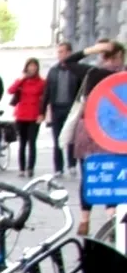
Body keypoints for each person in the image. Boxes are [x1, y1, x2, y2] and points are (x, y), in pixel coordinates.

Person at [64, 40, 126, 235]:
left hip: (90, 131)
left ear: (103, 55)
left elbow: (68, 61)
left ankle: (85, 219)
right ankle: (111, 216)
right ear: (119, 56)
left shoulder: (92, 73)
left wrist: (91, 49)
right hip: (115, 133)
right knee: (114, 174)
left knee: (89, 175)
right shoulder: (122, 76)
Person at [42, 42, 92, 180]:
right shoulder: (53, 70)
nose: (60, 54)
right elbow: (47, 91)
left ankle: (71, 164)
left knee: (72, 138)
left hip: (72, 108)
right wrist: (42, 110)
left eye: (63, 52)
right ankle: (58, 168)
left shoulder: (76, 70)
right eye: (59, 52)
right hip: (57, 107)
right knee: (57, 139)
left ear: (69, 53)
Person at [8, 58, 46, 178]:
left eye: (34, 66)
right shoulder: (22, 81)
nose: (32, 68)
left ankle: (30, 168)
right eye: (30, 66)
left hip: (34, 115)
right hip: (22, 115)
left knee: (32, 143)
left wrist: (42, 114)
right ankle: (22, 168)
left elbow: (45, 99)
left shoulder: (41, 82)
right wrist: (21, 79)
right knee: (22, 143)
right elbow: (11, 90)